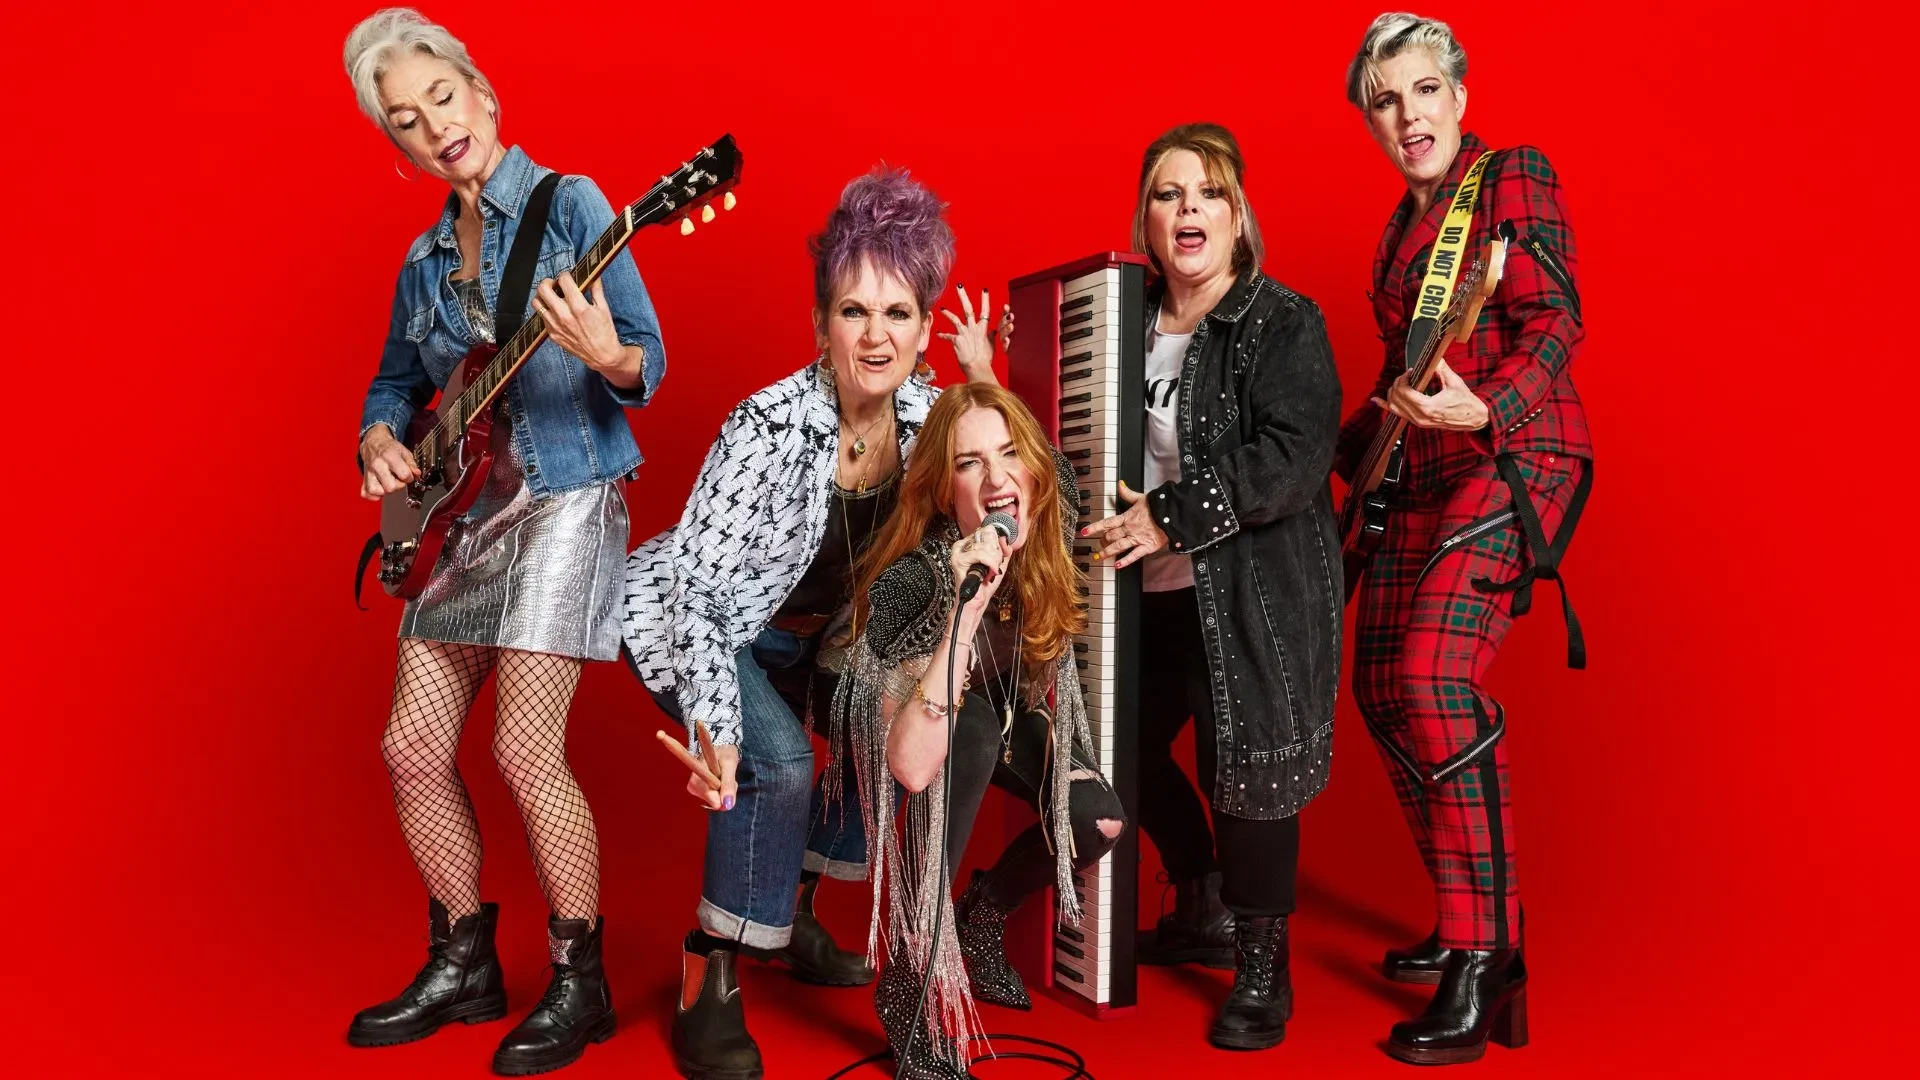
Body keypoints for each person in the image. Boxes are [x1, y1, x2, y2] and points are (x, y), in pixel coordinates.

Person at [620, 167, 1007, 1080]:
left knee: (889, 741)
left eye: (899, 313)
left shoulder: (931, 421)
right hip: (704, 622)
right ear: (820, 323)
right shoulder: (765, 426)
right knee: (780, 764)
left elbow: (1008, 488)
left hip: (824, 639)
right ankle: (706, 975)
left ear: (923, 331)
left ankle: (784, 910)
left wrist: (988, 382)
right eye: (853, 311)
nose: (876, 335)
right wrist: (719, 736)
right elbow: (702, 602)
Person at [341, 8, 665, 1075]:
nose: (433, 125)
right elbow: (396, 385)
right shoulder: (423, 260)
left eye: (442, 97)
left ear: (483, 95)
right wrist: (383, 440)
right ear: (396, 149)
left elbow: (646, 365)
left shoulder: (572, 208)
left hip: (568, 500)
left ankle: (581, 981)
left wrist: (606, 350)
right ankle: (465, 960)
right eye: (405, 121)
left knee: (526, 748)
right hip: (465, 517)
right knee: (411, 749)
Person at [1337, 11, 1594, 1065]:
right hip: (1427, 468)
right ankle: (1462, 906)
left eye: (1424, 90)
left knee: (1438, 672)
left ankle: (1488, 958)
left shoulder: (1511, 176)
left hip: (1516, 452)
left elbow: (1559, 318)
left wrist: (1492, 410)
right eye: (1385, 101)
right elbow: (1403, 386)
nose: (1408, 115)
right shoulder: (1400, 239)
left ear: (1460, 97)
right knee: (1381, 685)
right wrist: (1314, 464)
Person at [1082, 122, 1344, 1052]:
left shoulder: (1282, 322)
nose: (1187, 208)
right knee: (1118, 751)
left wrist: (1171, 514)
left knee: (1252, 774)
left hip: (1253, 593)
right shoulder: (1121, 323)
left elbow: (1295, 455)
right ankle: (1199, 901)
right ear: (1147, 220)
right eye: (1167, 193)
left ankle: (1263, 967)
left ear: (1238, 216)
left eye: (1209, 192)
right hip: (1147, 590)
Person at [832, 382, 1126, 1078]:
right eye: (969, 463)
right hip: (909, 712)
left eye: (1007, 456)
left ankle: (979, 919)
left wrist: (977, 367)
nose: (997, 479)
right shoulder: (916, 582)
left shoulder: (1052, 511)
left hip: (1006, 704)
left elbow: (1046, 456)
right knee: (963, 739)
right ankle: (909, 977)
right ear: (941, 492)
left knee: (1098, 821)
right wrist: (965, 612)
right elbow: (908, 763)